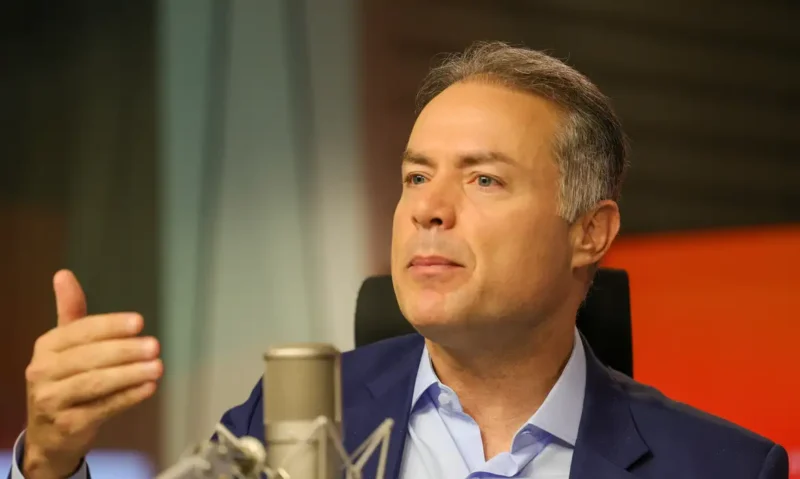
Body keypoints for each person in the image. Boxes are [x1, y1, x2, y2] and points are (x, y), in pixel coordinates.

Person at [8, 41, 788, 479]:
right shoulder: (285, 424)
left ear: (590, 231)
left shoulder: (724, 467)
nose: (427, 209)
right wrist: (50, 460)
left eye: (483, 179)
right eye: (416, 176)